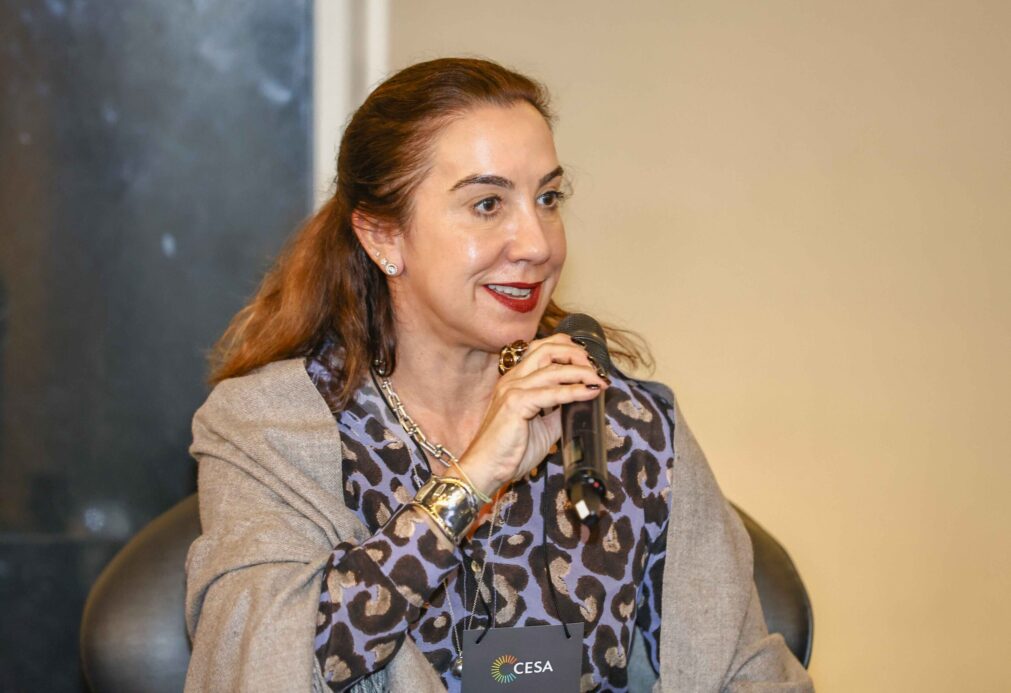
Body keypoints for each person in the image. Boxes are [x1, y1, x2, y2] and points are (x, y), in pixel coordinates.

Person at [184, 58, 813, 692]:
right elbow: (268, 666)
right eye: (487, 204)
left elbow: (746, 674)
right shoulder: (270, 429)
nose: (537, 244)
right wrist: (472, 480)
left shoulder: (626, 425)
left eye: (548, 199)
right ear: (383, 238)